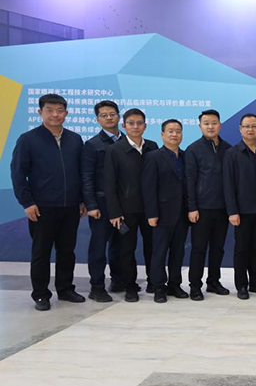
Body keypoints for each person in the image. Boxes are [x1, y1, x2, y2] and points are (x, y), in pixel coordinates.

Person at [11, 93, 86, 311]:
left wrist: (82, 199)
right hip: (42, 207)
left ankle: (65, 289)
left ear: (66, 113)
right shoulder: (28, 139)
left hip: (70, 206)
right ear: (40, 112)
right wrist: (27, 202)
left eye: (60, 111)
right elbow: (18, 173)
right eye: (50, 110)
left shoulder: (75, 139)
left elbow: (81, 172)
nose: (55, 115)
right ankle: (41, 294)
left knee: (67, 251)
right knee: (41, 252)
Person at [104, 108, 158, 303]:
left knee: (153, 247)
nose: (135, 127)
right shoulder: (114, 150)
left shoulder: (152, 146)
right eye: (131, 123)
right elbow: (109, 183)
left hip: (150, 209)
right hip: (126, 211)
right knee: (127, 250)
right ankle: (130, 286)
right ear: (124, 125)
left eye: (139, 123)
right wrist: (114, 211)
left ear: (145, 126)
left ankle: (154, 281)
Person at [223, 113, 256, 300]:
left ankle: (255, 282)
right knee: (242, 249)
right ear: (240, 129)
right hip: (242, 211)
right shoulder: (232, 154)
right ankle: (241, 285)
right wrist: (232, 211)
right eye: (247, 126)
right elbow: (228, 185)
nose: (250, 130)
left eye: (254, 126)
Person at [185, 109, 232, 300]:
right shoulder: (193, 149)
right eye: (206, 123)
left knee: (218, 248)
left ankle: (213, 282)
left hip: (222, 209)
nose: (210, 126)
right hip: (201, 209)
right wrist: (192, 207)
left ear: (220, 125)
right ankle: (195, 286)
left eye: (214, 123)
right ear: (200, 126)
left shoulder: (228, 149)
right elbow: (190, 181)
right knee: (198, 249)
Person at [143, 120, 190, 303]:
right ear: (162, 135)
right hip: (161, 214)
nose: (174, 135)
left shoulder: (186, 156)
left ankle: (174, 284)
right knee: (159, 252)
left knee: (178, 252)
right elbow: (148, 188)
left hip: (182, 214)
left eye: (178, 131)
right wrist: (151, 213)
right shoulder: (153, 157)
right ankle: (159, 287)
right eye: (170, 131)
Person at [82, 100, 124, 302]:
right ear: (97, 119)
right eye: (104, 115)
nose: (109, 118)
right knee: (98, 247)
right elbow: (87, 177)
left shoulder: (128, 141)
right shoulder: (92, 145)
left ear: (119, 116)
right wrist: (91, 205)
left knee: (120, 245)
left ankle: (118, 280)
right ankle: (97, 287)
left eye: (112, 114)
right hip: (101, 204)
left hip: (124, 204)